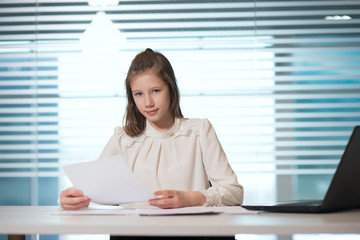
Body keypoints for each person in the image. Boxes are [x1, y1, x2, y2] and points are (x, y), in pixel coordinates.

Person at [59, 48, 243, 239]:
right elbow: (92, 191)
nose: (148, 102)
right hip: (133, 236)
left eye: (155, 91)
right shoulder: (123, 137)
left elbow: (234, 193)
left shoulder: (198, 131)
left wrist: (189, 198)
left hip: (188, 234)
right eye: (138, 94)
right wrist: (71, 200)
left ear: (171, 89)